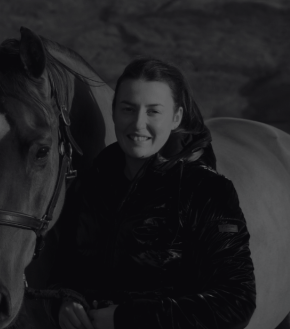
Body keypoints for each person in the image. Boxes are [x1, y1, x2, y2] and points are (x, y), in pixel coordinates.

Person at [45, 58, 256, 329]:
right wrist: (64, 301)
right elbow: (63, 272)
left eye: (153, 111)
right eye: (128, 109)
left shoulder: (208, 191)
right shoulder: (87, 188)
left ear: (176, 117)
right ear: (114, 112)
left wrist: (127, 319)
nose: (138, 124)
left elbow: (236, 302)